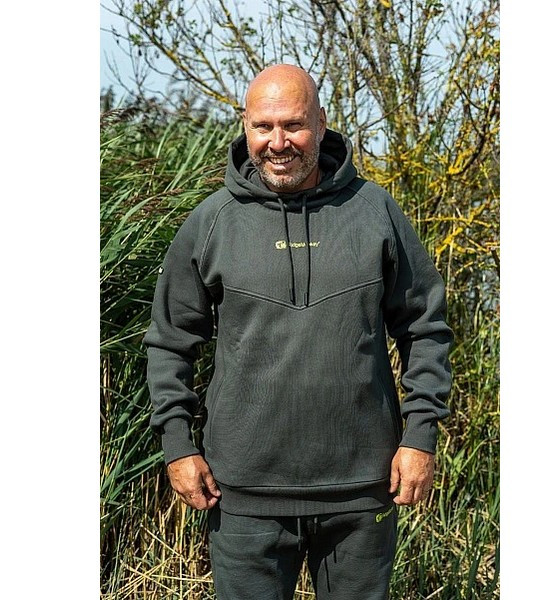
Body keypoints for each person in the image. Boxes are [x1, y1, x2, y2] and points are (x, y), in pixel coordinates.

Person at [144, 64, 452, 599]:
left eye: (293, 125)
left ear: (321, 123)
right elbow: (170, 341)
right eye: (263, 126)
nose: (278, 142)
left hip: (363, 490)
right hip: (242, 496)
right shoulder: (212, 222)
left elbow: (424, 327)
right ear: (245, 126)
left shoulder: (374, 211)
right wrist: (177, 445)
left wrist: (420, 435)